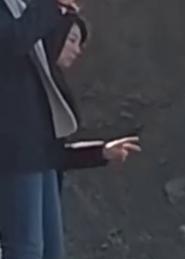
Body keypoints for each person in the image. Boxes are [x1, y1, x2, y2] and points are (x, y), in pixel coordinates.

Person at [0, 0, 85, 259]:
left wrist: (63, 15)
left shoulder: (26, 9)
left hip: (39, 147)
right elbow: (11, 42)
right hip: (11, 149)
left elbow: (48, 53)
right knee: (26, 252)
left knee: (49, 252)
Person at [43, 11, 140, 178]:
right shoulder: (28, 87)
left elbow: (52, 155)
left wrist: (102, 152)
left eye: (79, 44)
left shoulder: (54, 85)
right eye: (71, 40)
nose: (77, 50)